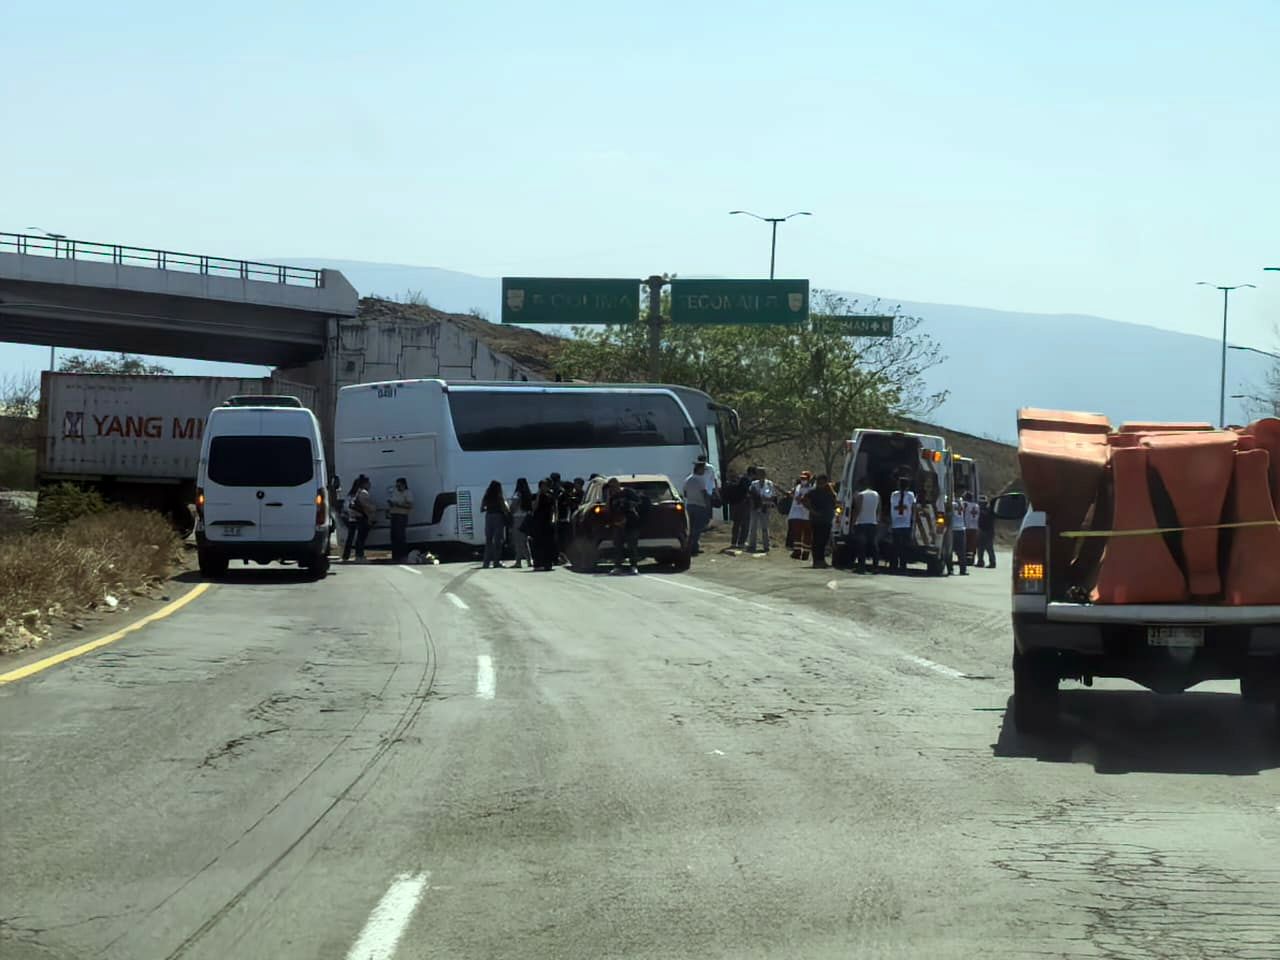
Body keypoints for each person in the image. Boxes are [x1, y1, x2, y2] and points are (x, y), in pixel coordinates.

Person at [606, 477, 646, 575]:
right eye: (610, 487)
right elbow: (610, 511)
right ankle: (617, 566)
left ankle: (633, 566)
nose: (612, 488)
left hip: (631, 523)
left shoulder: (628, 492)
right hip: (618, 524)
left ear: (618, 485)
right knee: (617, 546)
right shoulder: (612, 498)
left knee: (632, 546)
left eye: (613, 486)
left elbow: (639, 502)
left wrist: (628, 506)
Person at [342, 475, 376, 563]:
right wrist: (374, 509)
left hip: (351, 517)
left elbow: (346, 506)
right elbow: (367, 507)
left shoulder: (352, 494)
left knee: (351, 537)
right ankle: (359, 556)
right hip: (360, 517)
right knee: (361, 538)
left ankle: (346, 555)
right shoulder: (363, 493)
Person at [683, 460, 713, 556]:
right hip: (699, 506)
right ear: (699, 469)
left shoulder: (687, 479)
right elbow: (704, 494)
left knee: (691, 528)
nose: (704, 471)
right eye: (703, 469)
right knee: (698, 528)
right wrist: (708, 505)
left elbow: (685, 494)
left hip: (690, 505)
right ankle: (694, 547)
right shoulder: (700, 480)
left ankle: (690, 545)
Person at [806, 474, 836, 569]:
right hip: (816, 520)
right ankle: (816, 561)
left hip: (827, 520)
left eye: (824, 482)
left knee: (824, 541)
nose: (822, 484)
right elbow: (804, 501)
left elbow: (835, 499)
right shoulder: (813, 492)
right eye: (820, 482)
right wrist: (812, 511)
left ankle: (821, 560)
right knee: (817, 541)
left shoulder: (829, 492)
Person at [852, 480, 881, 574]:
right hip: (873, 522)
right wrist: (877, 520)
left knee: (861, 546)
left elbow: (858, 509)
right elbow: (878, 509)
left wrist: (853, 521)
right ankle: (875, 567)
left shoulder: (861, 495)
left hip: (861, 523)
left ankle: (861, 567)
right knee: (874, 546)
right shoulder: (876, 494)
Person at [888, 476, 916, 573]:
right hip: (900, 524)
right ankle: (898, 565)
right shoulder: (898, 495)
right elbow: (913, 508)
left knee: (900, 546)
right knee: (899, 546)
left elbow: (912, 508)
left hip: (902, 523)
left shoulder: (905, 495)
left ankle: (899, 565)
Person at [747, 467, 777, 554]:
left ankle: (766, 545)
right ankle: (752, 545)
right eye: (759, 473)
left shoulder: (769, 483)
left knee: (764, 527)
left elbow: (773, 495)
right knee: (753, 526)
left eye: (762, 473)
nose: (761, 475)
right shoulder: (753, 484)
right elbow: (750, 495)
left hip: (765, 507)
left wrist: (765, 499)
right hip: (755, 507)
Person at [530, 479, 558, 571]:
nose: (544, 488)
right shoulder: (535, 496)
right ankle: (537, 563)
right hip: (538, 522)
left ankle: (548, 563)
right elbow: (534, 508)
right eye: (542, 486)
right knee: (538, 543)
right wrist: (538, 496)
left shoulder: (550, 497)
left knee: (548, 544)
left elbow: (554, 509)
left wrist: (554, 519)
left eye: (545, 486)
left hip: (547, 522)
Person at [480, 480, 510, 568]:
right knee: (498, 540)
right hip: (498, 517)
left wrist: (488, 508)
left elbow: (482, 508)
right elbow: (505, 508)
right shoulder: (499, 496)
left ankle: (486, 562)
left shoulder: (486, 496)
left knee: (488, 540)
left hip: (488, 517)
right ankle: (497, 561)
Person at [508, 477, 534, 568]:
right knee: (524, 541)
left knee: (518, 542)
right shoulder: (528, 495)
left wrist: (509, 511)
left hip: (518, 518)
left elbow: (513, 507)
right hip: (526, 518)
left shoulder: (517, 494)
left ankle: (518, 562)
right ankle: (529, 561)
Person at [386, 477, 413, 563]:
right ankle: (395, 556)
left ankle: (403, 556)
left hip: (402, 516)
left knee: (400, 537)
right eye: (396, 485)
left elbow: (409, 505)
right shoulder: (395, 492)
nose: (397, 487)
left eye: (399, 485)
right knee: (394, 537)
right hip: (394, 515)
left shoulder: (408, 493)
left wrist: (398, 504)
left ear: (404, 485)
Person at [788, 471, 814, 560]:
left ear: (809, 479)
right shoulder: (798, 487)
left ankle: (806, 553)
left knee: (807, 534)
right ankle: (797, 551)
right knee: (796, 534)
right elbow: (792, 494)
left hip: (806, 514)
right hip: (796, 513)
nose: (803, 480)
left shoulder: (811, 489)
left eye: (805, 479)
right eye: (802, 478)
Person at [728, 467, 755, 548]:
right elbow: (748, 492)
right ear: (753, 473)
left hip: (736, 504)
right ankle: (741, 542)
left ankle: (734, 542)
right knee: (745, 524)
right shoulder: (747, 481)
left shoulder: (740, 479)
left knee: (737, 523)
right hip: (744, 504)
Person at [948, 491, 969, 576]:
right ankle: (962, 570)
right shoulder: (962, 503)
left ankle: (950, 569)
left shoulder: (951, 504)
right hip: (961, 528)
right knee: (961, 552)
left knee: (949, 551)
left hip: (953, 528)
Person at [976, 495, 997, 568]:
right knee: (980, 548)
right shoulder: (979, 510)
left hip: (988, 531)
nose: (980, 504)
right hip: (981, 530)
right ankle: (980, 561)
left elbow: (990, 519)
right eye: (980, 503)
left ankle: (992, 562)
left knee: (989, 547)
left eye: (982, 503)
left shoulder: (989, 510)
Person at [964, 491, 982, 566]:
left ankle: (966, 559)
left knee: (966, 545)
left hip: (967, 527)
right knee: (973, 545)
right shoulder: (977, 506)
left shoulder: (965, 505)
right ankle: (971, 559)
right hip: (975, 527)